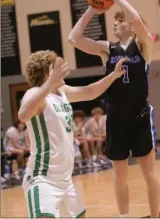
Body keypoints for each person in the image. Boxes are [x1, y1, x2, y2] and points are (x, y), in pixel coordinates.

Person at [68, 0, 160, 218]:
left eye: (120, 22)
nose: (116, 25)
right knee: (120, 173)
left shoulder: (143, 46)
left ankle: (156, 216)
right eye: (115, 21)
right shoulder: (107, 49)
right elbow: (74, 39)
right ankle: (124, 216)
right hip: (116, 115)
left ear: (131, 26)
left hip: (140, 113)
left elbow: (139, 22)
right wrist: (91, 9)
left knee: (149, 172)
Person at [18, 50, 126, 218]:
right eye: (57, 66)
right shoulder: (35, 93)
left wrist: (113, 75)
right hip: (43, 178)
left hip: (65, 180)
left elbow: (89, 91)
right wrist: (48, 84)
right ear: (47, 72)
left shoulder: (62, 92)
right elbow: (23, 114)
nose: (63, 69)